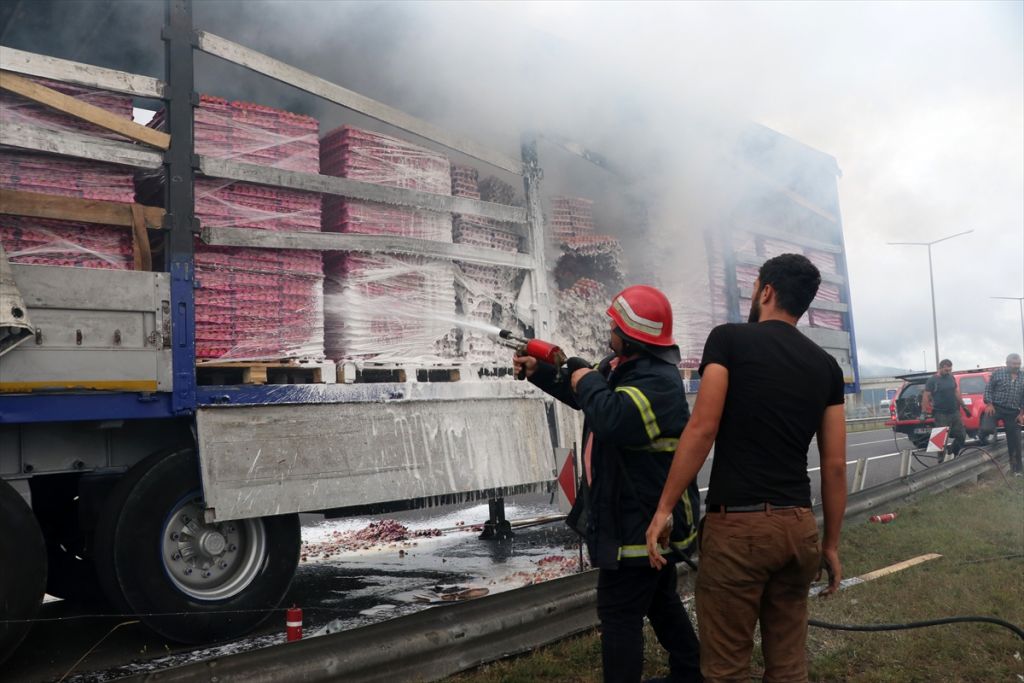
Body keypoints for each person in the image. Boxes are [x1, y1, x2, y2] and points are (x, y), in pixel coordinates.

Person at [645, 253, 847, 683]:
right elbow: (833, 466)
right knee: (789, 666)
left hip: (739, 529)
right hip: (797, 529)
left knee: (725, 669)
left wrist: (664, 508)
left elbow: (702, 427)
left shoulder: (729, 340)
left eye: (756, 286)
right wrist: (829, 543)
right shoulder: (826, 366)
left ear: (766, 291)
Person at [514, 284, 701, 683]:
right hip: (633, 515)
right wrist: (541, 373)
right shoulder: (624, 368)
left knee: (619, 614)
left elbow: (613, 418)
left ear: (632, 335)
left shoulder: (659, 382)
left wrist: (585, 375)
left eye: (614, 325)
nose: (608, 330)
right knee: (660, 600)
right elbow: (589, 399)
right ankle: (691, 672)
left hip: (641, 522)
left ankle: (690, 671)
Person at [983, 353, 1024, 475]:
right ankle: (987, 447)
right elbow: (988, 389)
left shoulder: (1023, 376)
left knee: (1015, 441)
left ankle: (1017, 470)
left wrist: (1021, 414)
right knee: (986, 429)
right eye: (1014, 364)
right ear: (1007, 363)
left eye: (1018, 364)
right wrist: (989, 404)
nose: (1016, 366)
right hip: (996, 408)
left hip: (1013, 411)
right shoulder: (998, 373)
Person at [921, 359, 970, 459]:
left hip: (954, 412)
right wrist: (923, 412)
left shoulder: (951, 377)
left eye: (950, 370)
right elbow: (926, 396)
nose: (948, 372)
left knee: (961, 435)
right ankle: (940, 460)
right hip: (940, 414)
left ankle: (952, 452)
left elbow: (956, 392)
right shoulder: (932, 380)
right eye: (946, 370)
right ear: (940, 368)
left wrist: (964, 406)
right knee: (940, 440)